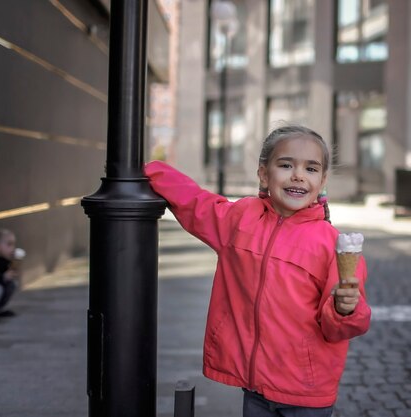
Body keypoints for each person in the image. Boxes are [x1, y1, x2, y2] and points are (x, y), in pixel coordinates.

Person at [144, 125, 371, 416]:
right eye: (286, 165)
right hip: (254, 389)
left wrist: (345, 309)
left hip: (307, 394)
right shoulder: (241, 219)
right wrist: (149, 171)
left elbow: (340, 328)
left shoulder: (332, 246)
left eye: (311, 169)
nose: (298, 175)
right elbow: (196, 204)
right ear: (264, 174)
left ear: (323, 180)